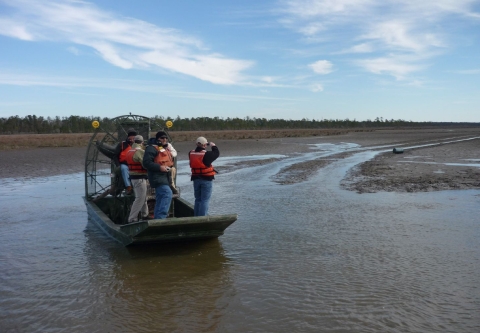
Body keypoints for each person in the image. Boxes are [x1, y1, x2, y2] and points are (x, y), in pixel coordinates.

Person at [143, 131, 175, 219]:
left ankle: (157, 219)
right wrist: (159, 167)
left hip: (164, 177)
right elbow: (146, 163)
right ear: (157, 139)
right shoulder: (151, 148)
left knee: (160, 198)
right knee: (167, 194)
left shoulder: (163, 148)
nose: (164, 139)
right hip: (157, 177)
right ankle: (161, 218)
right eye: (162, 138)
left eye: (166, 138)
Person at [189, 136, 219, 216]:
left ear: (196, 144)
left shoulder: (191, 153)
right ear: (205, 145)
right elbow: (216, 153)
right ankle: (202, 218)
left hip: (195, 179)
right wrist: (213, 145)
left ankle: (196, 217)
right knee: (205, 200)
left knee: (198, 199)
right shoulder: (207, 154)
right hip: (206, 179)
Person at [125, 135, 150, 223]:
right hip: (140, 177)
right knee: (140, 198)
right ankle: (132, 219)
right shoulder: (140, 151)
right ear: (142, 142)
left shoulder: (130, 151)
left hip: (133, 177)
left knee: (143, 197)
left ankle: (145, 215)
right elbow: (145, 164)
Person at [113, 128, 137, 194]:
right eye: (130, 135)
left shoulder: (137, 145)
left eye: (134, 136)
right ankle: (128, 187)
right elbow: (115, 156)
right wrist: (118, 165)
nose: (132, 137)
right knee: (123, 168)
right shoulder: (122, 144)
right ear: (128, 137)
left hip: (134, 164)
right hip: (124, 164)